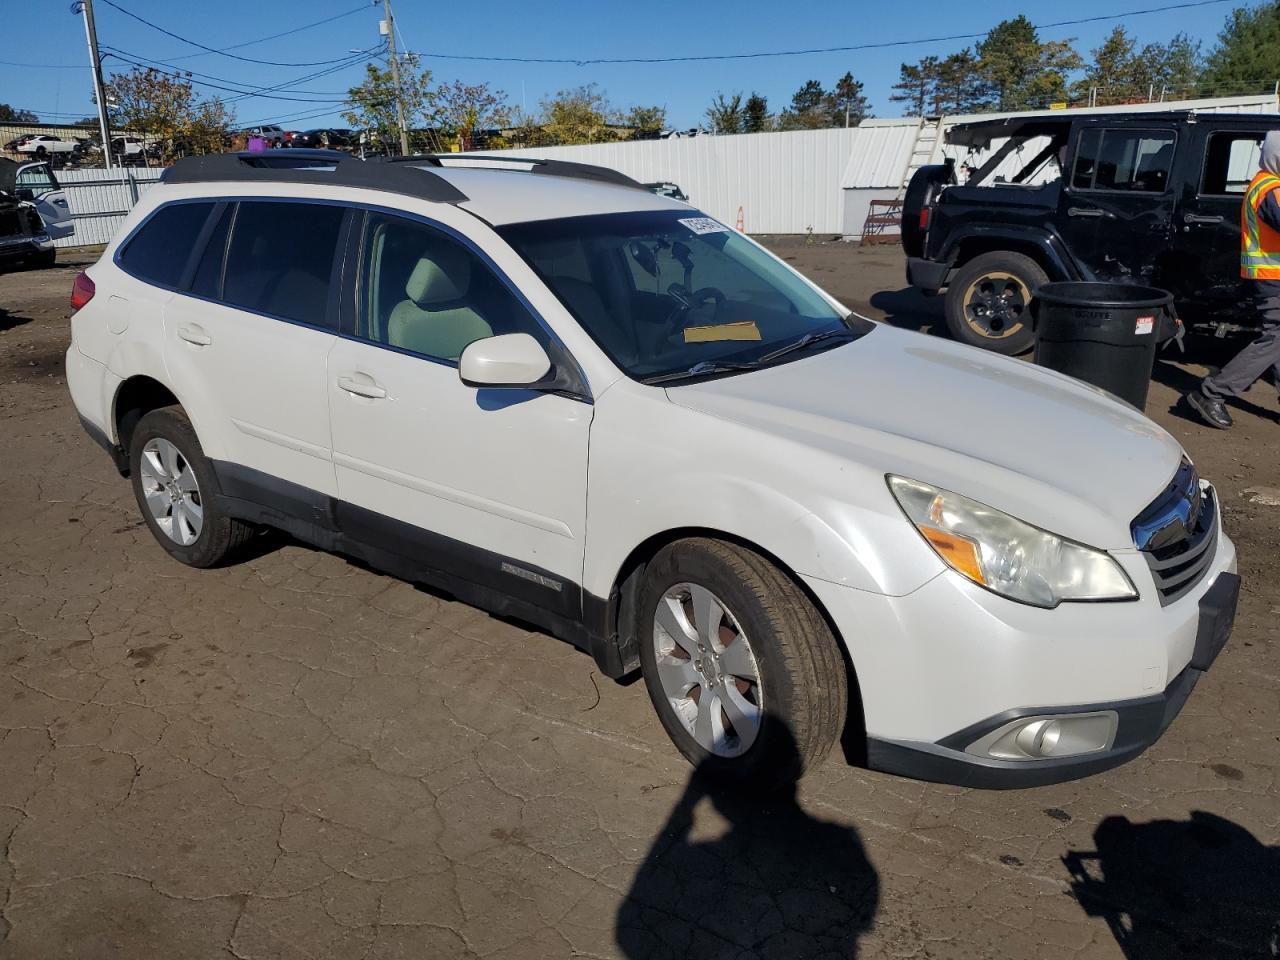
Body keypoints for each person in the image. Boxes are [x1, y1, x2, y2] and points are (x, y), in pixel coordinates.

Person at [1186, 130, 1280, 428]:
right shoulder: (1271, 188)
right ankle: (1212, 393)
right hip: (1274, 275)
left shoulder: (1266, 184)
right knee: (1275, 338)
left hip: (1270, 274)